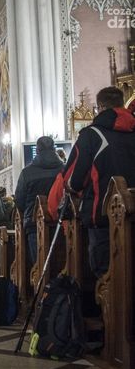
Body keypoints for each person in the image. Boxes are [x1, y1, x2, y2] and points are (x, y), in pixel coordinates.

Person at [63, 86, 135, 277]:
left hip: (103, 218)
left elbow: (74, 180)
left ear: (100, 107)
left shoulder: (91, 135)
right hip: (133, 216)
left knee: (106, 276)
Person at [14, 136, 63, 264]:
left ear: (37, 150)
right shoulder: (64, 169)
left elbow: (19, 200)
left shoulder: (26, 173)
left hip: (34, 224)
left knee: (39, 264)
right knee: (60, 262)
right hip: (60, 222)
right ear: (54, 149)